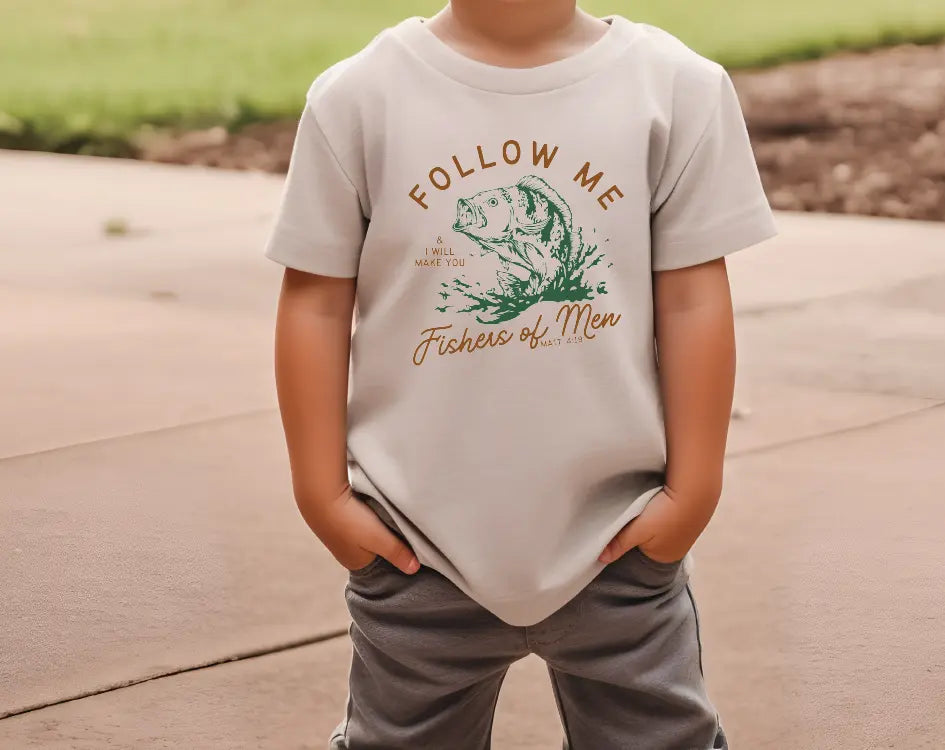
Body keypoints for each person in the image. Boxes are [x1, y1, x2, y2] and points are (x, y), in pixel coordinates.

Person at [264, 1, 776, 747]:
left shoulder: (674, 90)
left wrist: (694, 490)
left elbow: (695, 300)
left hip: (618, 538)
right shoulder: (358, 97)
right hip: (414, 542)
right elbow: (314, 301)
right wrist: (323, 494)